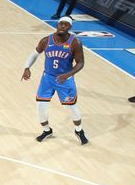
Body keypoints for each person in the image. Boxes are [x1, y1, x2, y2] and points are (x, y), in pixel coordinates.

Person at [22, 16, 88, 144]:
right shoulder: (46, 40)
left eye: (66, 25)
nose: (62, 26)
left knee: (71, 107)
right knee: (40, 106)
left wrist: (68, 74)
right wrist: (27, 67)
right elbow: (34, 54)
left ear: (70, 27)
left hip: (65, 79)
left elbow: (80, 63)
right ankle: (47, 130)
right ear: (57, 25)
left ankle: (79, 130)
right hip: (47, 78)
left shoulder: (75, 42)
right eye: (60, 24)